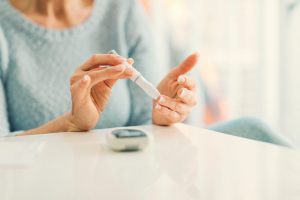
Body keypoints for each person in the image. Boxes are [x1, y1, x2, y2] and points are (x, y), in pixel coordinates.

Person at [0, 0, 293, 147]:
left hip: (128, 179)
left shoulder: (122, 9)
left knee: (254, 132)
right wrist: (71, 124)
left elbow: (145, 131)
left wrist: (162, 115)